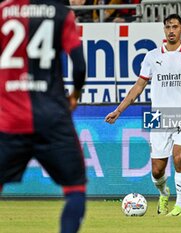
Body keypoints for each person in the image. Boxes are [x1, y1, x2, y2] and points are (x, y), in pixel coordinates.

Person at [105, 13, 181, 216]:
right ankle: (164, 193)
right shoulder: (152, 56)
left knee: (179, 158)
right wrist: (118, 110)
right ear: (164, 29)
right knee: (157, 170)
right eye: (168, 26)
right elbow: (139, 86)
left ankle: (180, 206)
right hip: (158, 117)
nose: (172, 30)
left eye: (175, 26)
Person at [0, 1, 86, 233]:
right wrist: (75, 94)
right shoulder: (61, 13)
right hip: (53, 118)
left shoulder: (2, 12)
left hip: (8, 120)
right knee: (76, 189)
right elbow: (79, 66)